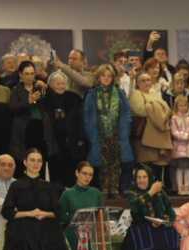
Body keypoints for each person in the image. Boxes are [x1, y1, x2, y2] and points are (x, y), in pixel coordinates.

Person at [83, 64, 133, 199]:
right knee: (101, 164)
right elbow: (87, 116)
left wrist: (125, 131)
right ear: (98, 77)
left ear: (113, 78)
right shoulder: (92, 94)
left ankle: (115, 189)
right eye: (103, 75)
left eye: (109, 76)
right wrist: (91, 133)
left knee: (116, 163)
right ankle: (103, 190)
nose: (106, 78)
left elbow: (127, 113)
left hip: (117, 134)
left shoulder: (120, 93)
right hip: (99, 134)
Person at [129, 71, 173, 187]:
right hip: (143, 136)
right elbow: (140, 110)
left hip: (158, 136)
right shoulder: (136, 94)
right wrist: (156, 108)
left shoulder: (155, 94)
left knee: (158, 165)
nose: (146, 83)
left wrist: (151, 105)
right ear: (137, 83)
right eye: (143, 81)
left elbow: (167, 109)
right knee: (145, 165)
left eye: (148, 80)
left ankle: (157, 189)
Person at [43, 71, 86, 187]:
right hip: (53, 144)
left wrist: (80, 138)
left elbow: (80, 120)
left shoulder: (74, 98)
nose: (61, 86)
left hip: (72, 143)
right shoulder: (45, 99)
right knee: (55, 176)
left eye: (63, 84)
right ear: (50, 85)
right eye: (58, 84)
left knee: (71, 174)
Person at [10, 61, 56, 167]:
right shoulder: (16, 89)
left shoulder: (40, 86)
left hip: (42, 127)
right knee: (25, 160)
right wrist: (28, 102)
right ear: (20, 74)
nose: (29, 77)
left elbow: (53, 101)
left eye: (32, 73)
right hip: (25, 129)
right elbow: (13, 108)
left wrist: (47, 87)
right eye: (26, 74)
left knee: (41, 159)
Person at [170, 94, 189, 195]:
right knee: (179, 168)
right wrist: (187, 136)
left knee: (188, 168)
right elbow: (174, 132)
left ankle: (187, 188)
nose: (183, 108)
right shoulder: (174, 118)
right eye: (181, 105)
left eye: (185, 105)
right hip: (179, 148)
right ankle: (180, 188)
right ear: (176, 106)